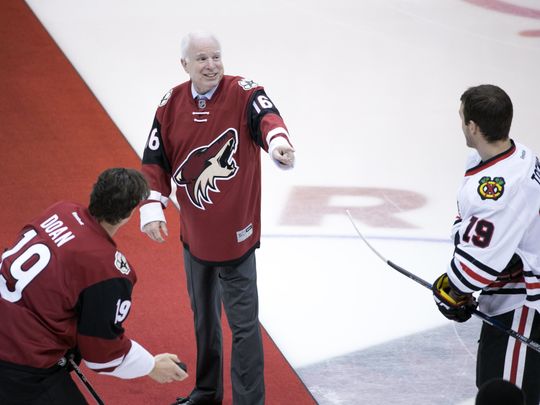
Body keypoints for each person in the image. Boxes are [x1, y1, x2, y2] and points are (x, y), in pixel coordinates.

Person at [139, 31, 295, 405]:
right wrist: (151, 207)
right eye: (202, 59)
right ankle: (207, 392)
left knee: (243, 328)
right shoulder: (170, 103)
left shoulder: (244, 91)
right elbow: (154, 159)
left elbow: (268, 117)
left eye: (216, 57)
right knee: (203, 319)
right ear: (185, 65)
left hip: (236, 237)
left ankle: (248, 401)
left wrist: (278, 144)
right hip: (194, 236)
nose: (211, 65)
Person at [0, 168, 188, 405]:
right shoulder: (108, 269)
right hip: (21, 361)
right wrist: (151, 366)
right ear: (128, 214)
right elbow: (102, 355)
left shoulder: (60, 210)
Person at [432, 84, 540, 405]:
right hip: (513, 298)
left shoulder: (496, 188)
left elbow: (478, 263)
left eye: (462, 118)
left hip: (522, 304)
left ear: (473, 127)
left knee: (506, 397)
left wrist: (455, 289)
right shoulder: (519, 154)